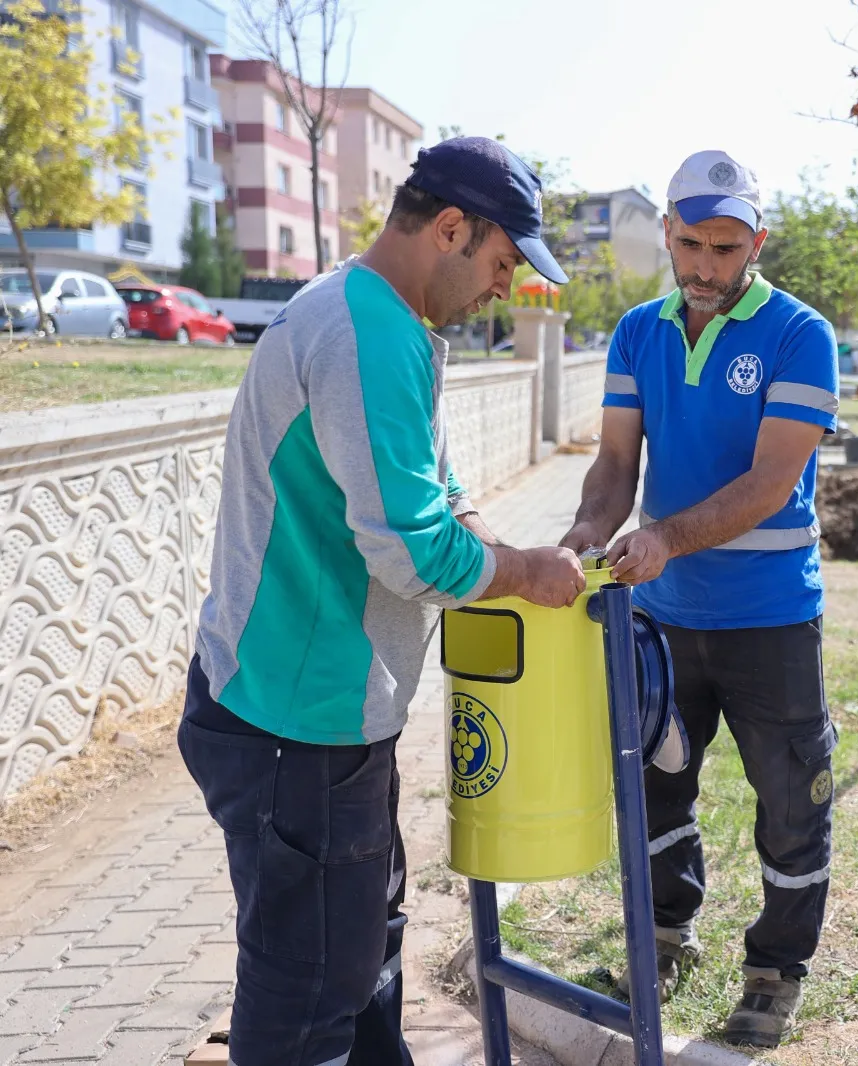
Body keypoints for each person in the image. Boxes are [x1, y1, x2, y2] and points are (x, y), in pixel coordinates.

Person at [177, 137, 587, 1066]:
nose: (505, 288)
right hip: (299, 723)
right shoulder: (366, 333)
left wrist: (481, 523)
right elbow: (412, 551)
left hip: (319, 719)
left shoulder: (380, 318)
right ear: (450, 228)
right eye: (501, 262)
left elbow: (438, 492)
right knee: (307, 1000)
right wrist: (523, 571)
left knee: (361, 958)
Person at [560, 149, 840, 1048]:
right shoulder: (639, 331)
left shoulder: (802, 336)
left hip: (770, 620)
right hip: (663, 618)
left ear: (757, 241)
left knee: (792, 799)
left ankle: (774, 970)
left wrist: (666, 537)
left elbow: (768, 484)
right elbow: (614, 467)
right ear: (668, 237)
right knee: (654, 786)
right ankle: (663, 935)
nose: (708, 268)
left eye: (728, 248)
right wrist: (582, 538)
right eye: (691, 245)